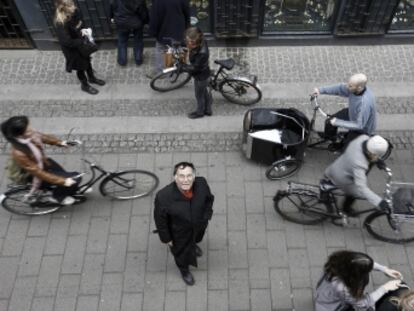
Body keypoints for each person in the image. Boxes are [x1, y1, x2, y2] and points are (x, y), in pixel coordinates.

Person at [154, 162, 214, 285]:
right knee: (181, 254)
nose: (185, 180)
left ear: (194, 176)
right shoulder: (163, 196)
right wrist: (166, 238)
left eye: (189, 175)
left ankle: (193, 245)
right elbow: (160, 220)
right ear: (175, 177)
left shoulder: (201, 183)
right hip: (178, 233)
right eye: (181, 176)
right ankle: (184, 270)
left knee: (196, 239)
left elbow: (209, 199)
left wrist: (206, 216)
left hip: (198, 226)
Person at [1, 116, 81, 205]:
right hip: (34, 174)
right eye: (28, 130)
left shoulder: (28, 137)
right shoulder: (19, 152)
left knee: (70, 177)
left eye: (29, 126)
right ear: (19, 135)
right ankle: (57, 197)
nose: (32, 130)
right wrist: (63, 181)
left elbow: (42, 137)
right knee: (75, 178)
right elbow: (37, 172)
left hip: (43, 163)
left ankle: (71, 188)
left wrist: (61, 143)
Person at [322, 134, 390, 216]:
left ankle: (345, 207)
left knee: (355, 188)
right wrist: (379, 201)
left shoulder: (363, 138)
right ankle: (345, 209)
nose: (378, 157)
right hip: (341, 177)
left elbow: (370, 152)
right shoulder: (359, 164)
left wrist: (377, 161)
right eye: (377, 156)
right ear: (372, 154)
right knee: (357, 192)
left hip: (340, 166)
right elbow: (362, 188)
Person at [315, 250, 403, 311]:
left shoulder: (340, 262)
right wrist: (385, 288)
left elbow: (364, 263)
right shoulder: (342, 288)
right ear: (355, 273)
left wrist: (384, 269)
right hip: (333, 307)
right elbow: (362, 303)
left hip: (325, 294)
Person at [312, 73, 376, 149]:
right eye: (348, 83)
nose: (347, 86)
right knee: (329, 122)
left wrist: (337, 122)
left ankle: (341, 146)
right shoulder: (355, 89)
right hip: (352, 113)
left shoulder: (364, 104)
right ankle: (330, 139)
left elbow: (359, 125)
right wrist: (320, 90)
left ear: (359, 88)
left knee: (347, 149)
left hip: (362, 128)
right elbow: (340, 88)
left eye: (350, 86)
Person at [54, 0, 105, 95]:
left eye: (73, 4)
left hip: (81, 43)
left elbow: (81, 22)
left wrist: (84, 30)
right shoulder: (60, 23)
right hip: (72, 50)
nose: (74, 7)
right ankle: (84, 85)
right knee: (80, 67)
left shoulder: (75, 12)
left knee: (87, 61)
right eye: (71, 5)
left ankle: (92, 78)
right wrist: (80, 41)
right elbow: (66, 41)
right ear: (64, 8)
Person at [147, 0, 190, 77]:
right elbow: (187, 13)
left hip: (164, 31)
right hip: (179, 29)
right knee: (179, 48)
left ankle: (160, 71)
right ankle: (180, 68)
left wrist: (153, 32)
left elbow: (155, 18)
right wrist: (187, 27)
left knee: (160, 49)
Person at [181, 27, 212, 119]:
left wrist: (184, 67)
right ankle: (208, 110)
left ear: (196, 42)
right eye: (187, 40)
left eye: (190, 42)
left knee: (199, 95)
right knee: (204, 92)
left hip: (200, 76)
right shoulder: (201, 42)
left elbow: (195, 68)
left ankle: (200, 112)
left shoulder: (202, 53)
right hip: (204, 74)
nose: (188, 43)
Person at [110, 0, 149, 66]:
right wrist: (145, 21)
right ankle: (138, 60)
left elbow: (111, 8)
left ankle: (122, 61)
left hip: (121, 23)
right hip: (136, 23)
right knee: (138, 41)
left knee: (122, 42)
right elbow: (143, 13)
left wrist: (112, 17)